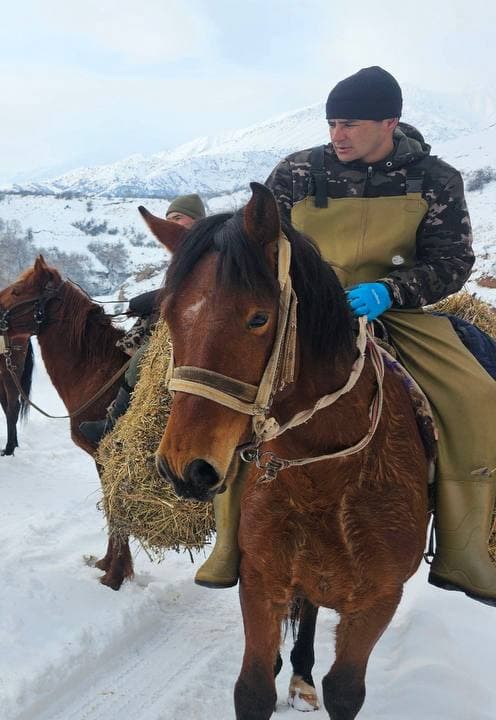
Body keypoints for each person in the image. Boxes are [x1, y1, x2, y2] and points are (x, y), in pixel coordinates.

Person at [193, 65, 496, 605]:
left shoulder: (436, 179)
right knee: (233, 389)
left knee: (477, 396)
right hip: (301, 315)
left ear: (390, 122)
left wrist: (389, 290)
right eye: (333, 122)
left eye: (351, 124)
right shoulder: (298, 172)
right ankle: (228, 535)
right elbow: (253, 247)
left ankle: (463, 547)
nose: (338, 135)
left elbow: (453, 261)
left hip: (392, 312)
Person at [77, 194, 204, 444]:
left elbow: (196, 289)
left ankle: (113, 423)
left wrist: (156, 299)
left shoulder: (203, 249)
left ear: (196, 220)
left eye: (178, 218)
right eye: (168, 219)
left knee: (143, 358)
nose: (171, 224)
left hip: (194, 326)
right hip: (179, 320)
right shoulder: (187, 251)